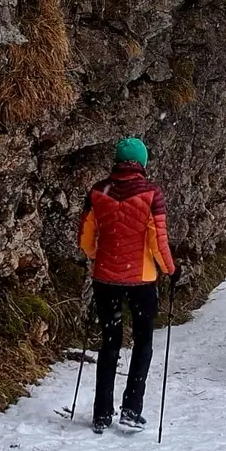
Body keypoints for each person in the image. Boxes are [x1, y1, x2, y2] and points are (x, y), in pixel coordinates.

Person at [79, 138, 180, 434]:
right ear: (142, 162)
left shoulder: (98, 191)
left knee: (109, 342)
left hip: (105, 279)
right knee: (143, 342)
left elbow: (85, 238)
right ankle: (132, 409)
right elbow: (158, 242)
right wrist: (171, 270)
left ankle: (101, 413)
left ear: (117, 160)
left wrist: (100, 256)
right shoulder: (151, 194)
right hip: (142, 281)